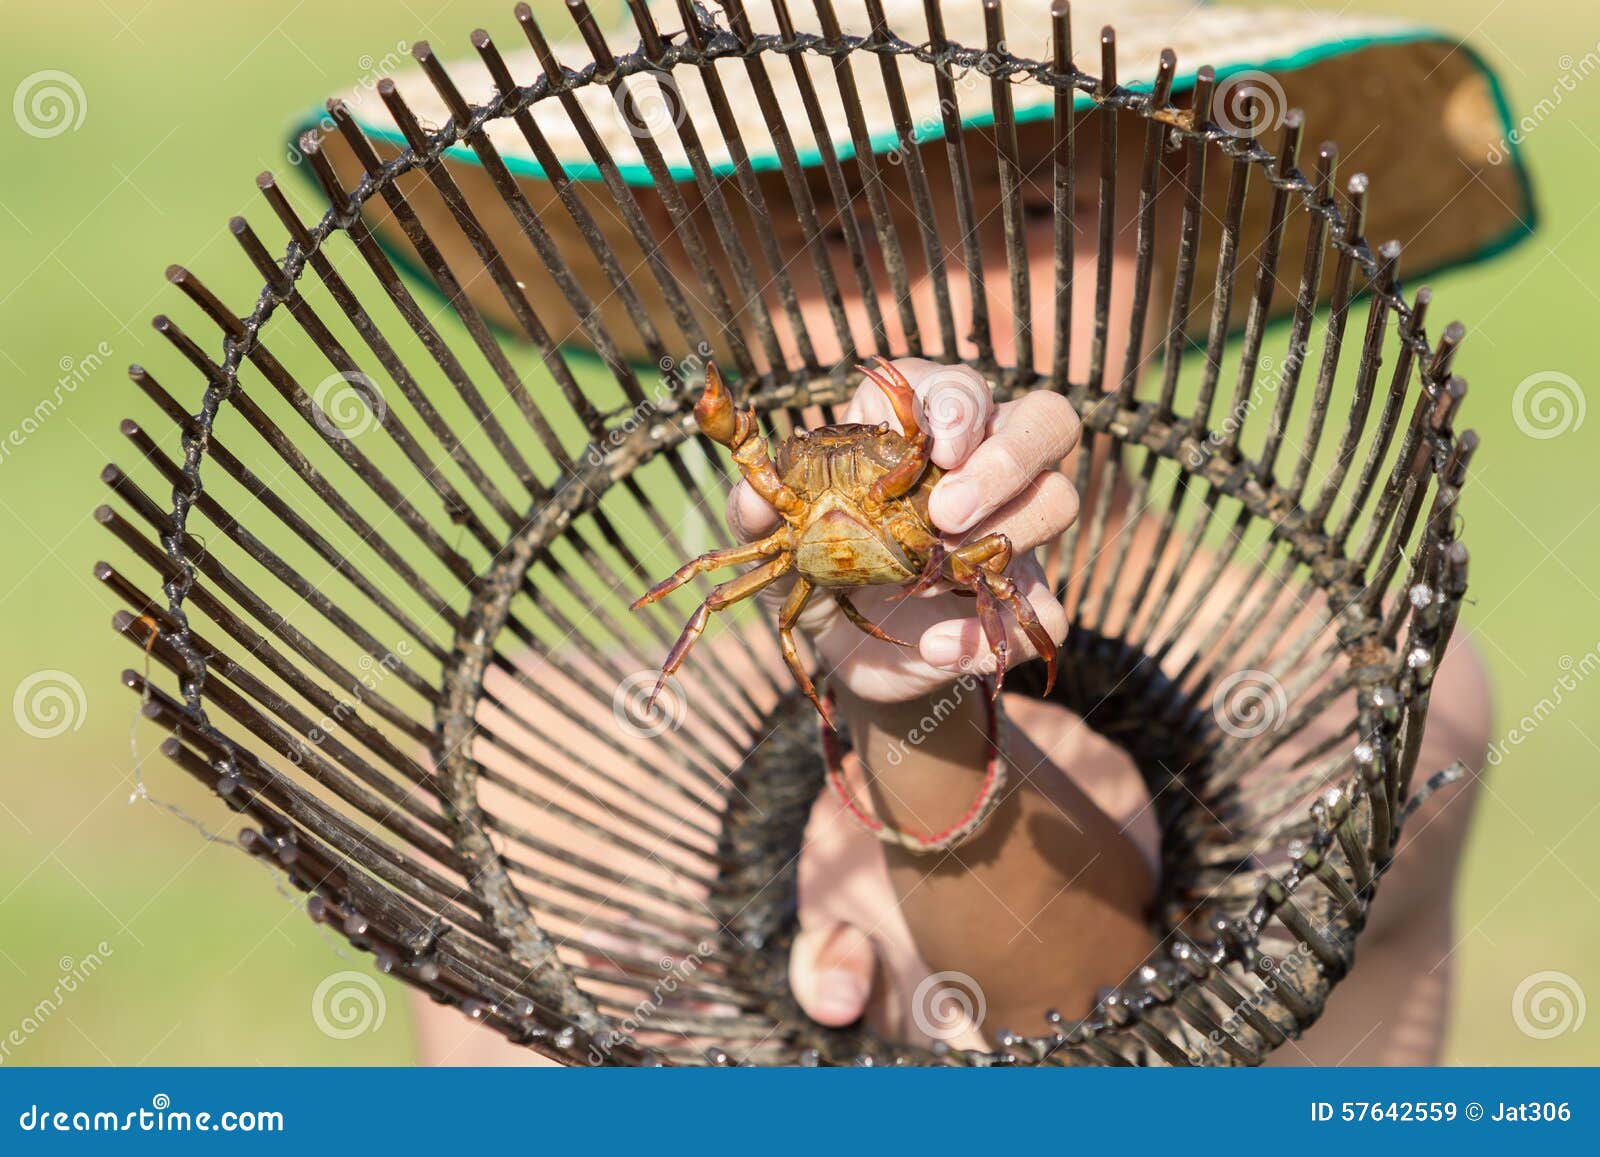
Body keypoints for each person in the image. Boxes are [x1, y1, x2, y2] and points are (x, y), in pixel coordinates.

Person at [380, 0, 1531, 1065]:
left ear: (1186, 210)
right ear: (713, 275)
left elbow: (1119, 1036)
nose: (942, 301)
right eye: (835, 226)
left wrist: (910, 717)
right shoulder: (532, 764)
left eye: (1038, 208)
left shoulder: (1368, 695)